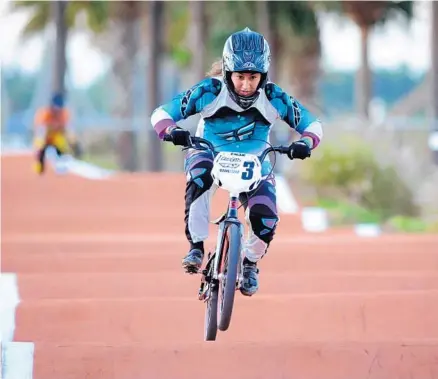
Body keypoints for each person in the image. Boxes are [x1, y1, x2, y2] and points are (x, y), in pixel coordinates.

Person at [150, 27, 323, 296]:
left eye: (253, 77)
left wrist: (305, 143)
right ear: (228, 72)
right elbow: (162, 113)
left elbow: (313, 125)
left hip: (256, 160)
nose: (245, 85)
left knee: (266, 218)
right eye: (240, 76)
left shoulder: (275, 97)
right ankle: (196, 246)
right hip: (209, 151)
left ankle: (250, 263)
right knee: (199, 177)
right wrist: (172, 131)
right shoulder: (209, 90)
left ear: (263, 75)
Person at [33, 93, 82, 174]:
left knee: (63, 146)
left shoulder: (64, 114)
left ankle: (61, 162)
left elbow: (69, 129)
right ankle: (40, 165)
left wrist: (73, 142)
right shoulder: (45, 114)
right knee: (40, 146)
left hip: (56, 137)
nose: (57, 111)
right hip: (45, 136)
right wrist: (39, 145)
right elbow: (40, 131)